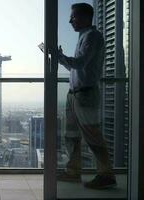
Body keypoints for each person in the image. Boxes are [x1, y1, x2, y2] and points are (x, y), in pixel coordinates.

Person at [57, 3, 117, 189]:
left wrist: (61, 57)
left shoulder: (93, 37)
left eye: (73, 17)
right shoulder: (84, 37)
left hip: (85, 94)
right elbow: (77, 67)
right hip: (75, 94)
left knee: (92, 135)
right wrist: (61, 58)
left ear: (84, 17)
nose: (70, 21)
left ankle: (106, 174)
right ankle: (73, 171)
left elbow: (80, 62)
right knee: (72, 135)